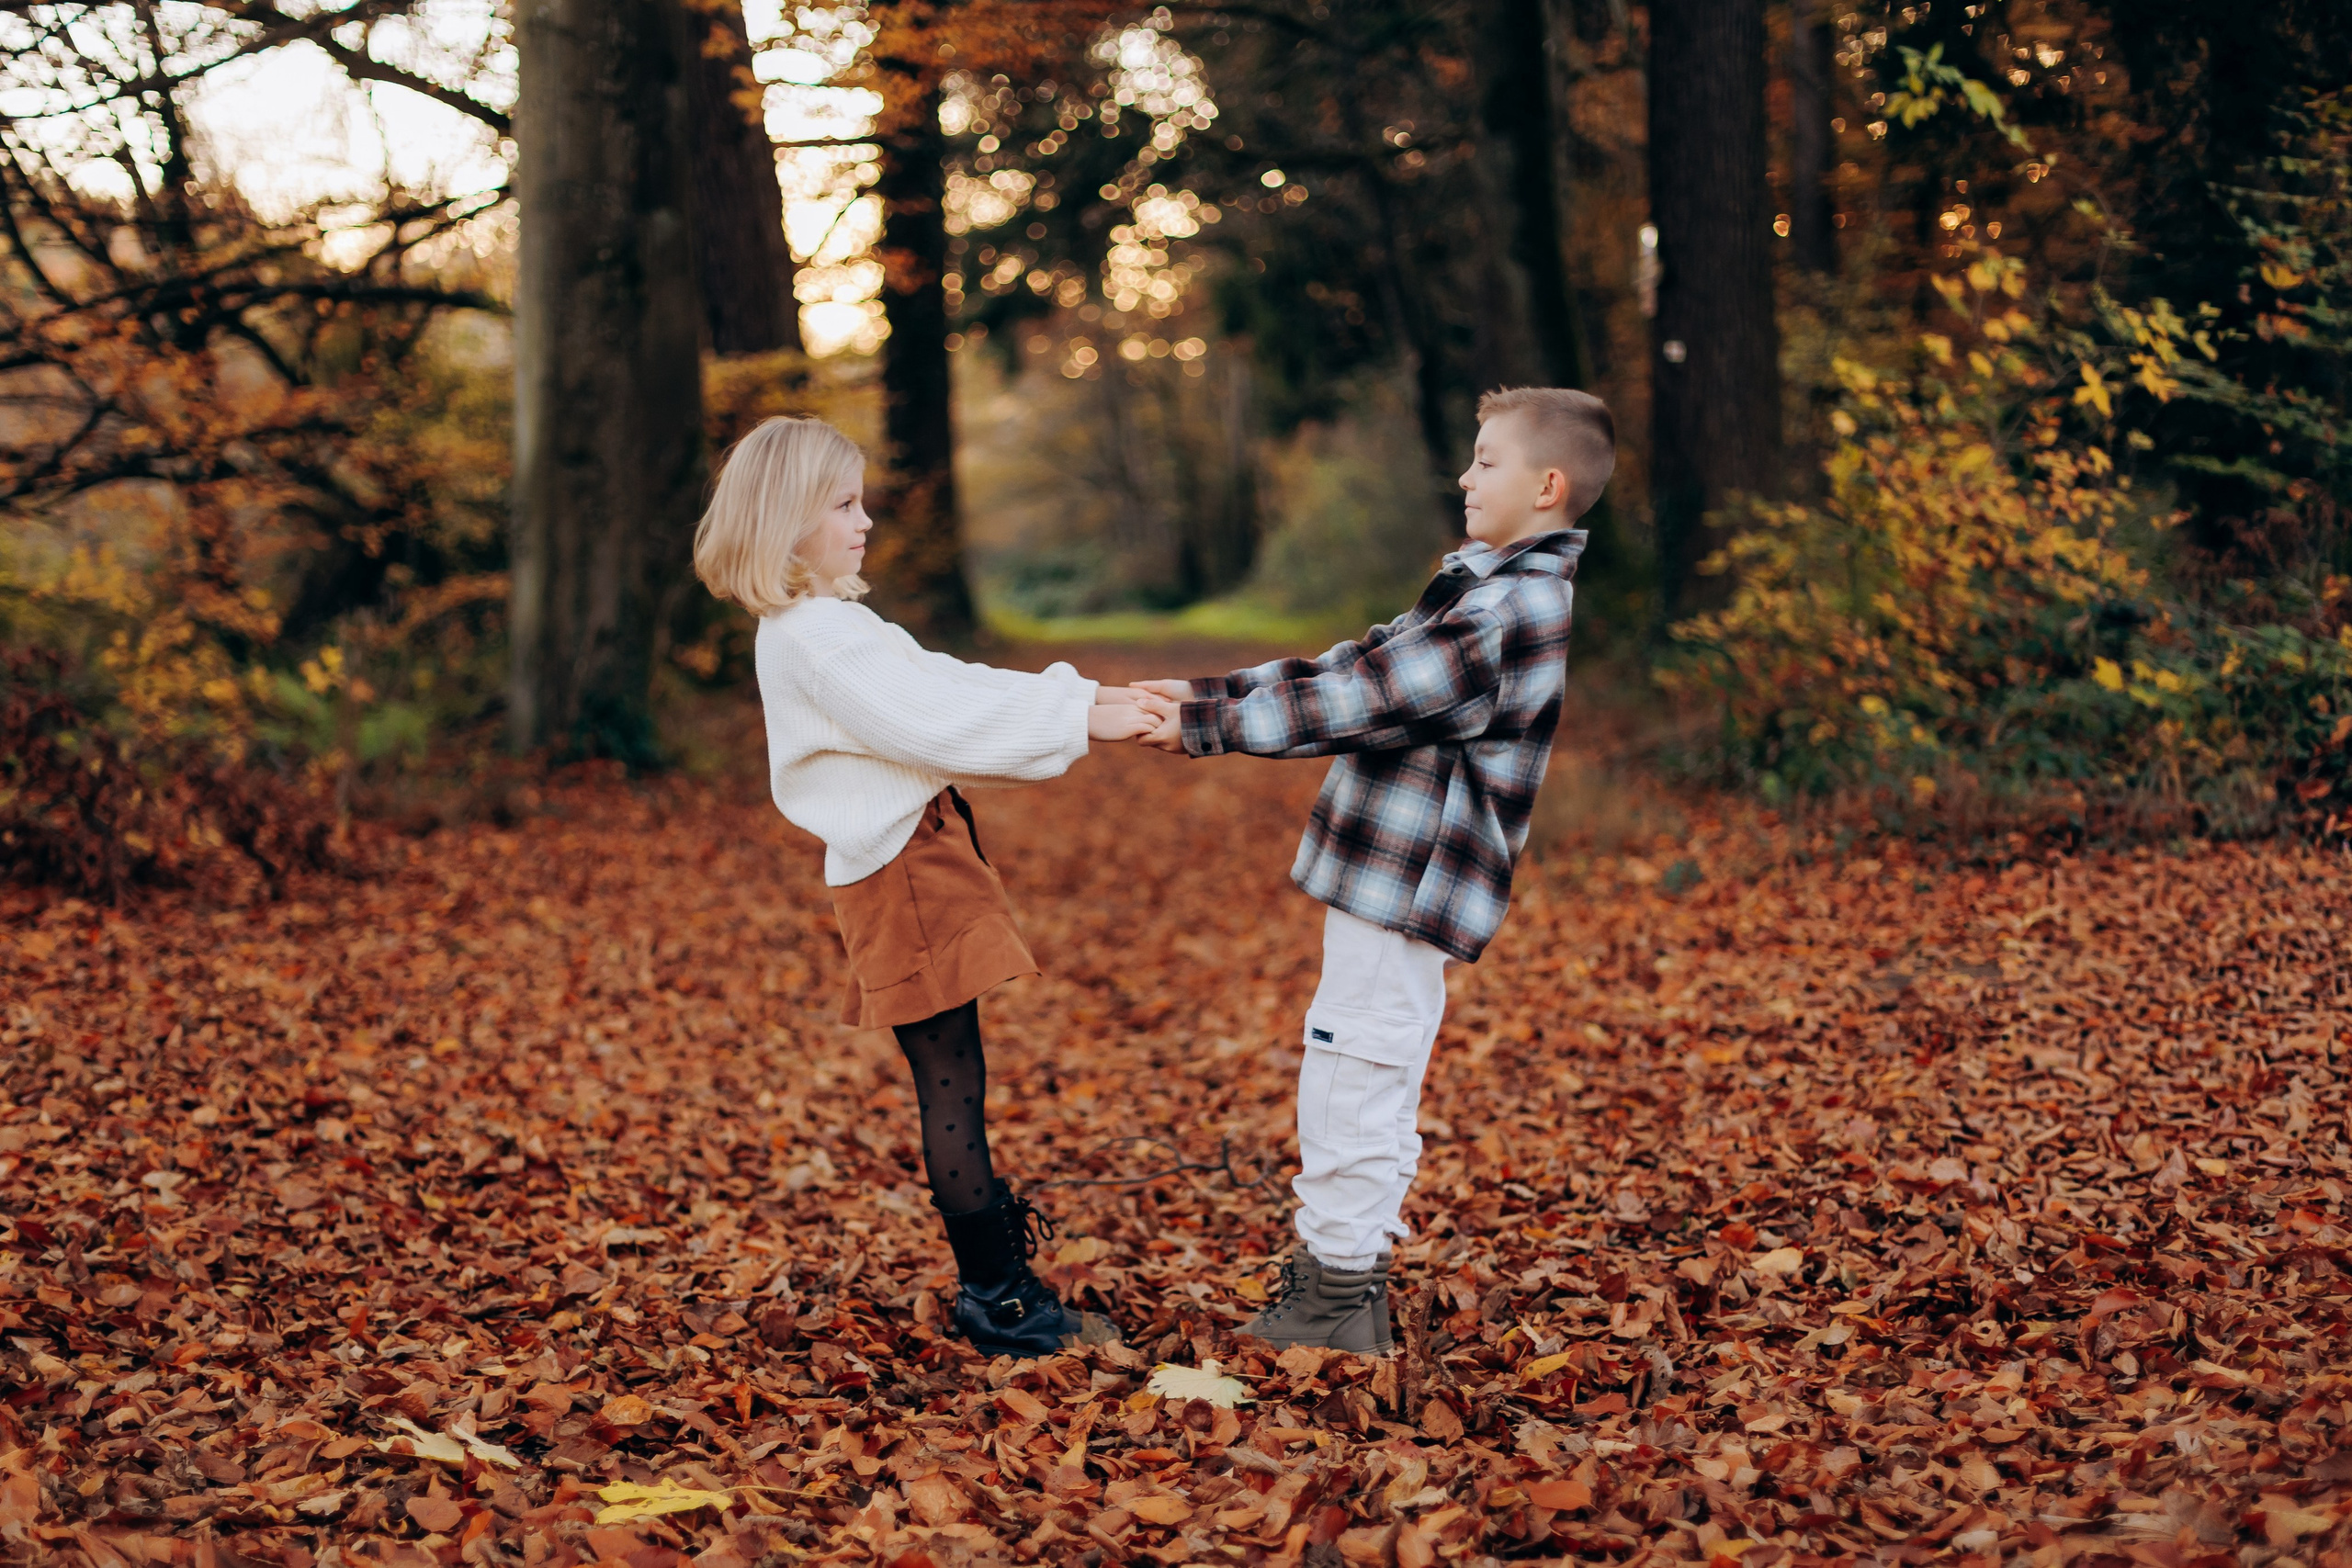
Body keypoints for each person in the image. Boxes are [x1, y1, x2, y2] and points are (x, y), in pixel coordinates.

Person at [1134, 387, 1615, 1353]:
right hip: (1388, 881)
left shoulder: (1513, 608)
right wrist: (1201, 696)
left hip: (1413, 886)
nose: (1465, 476)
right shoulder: (1482, 587)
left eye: (1485, 460)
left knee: (1356, 1072)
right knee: (1360, 1064)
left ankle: (1336, 1298)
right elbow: (1350, 664)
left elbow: (1369, 700)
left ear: (1548, 485)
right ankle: (1340, 1281)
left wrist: (1205, 729)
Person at [693, 415, 1154, 1359]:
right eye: (844, 504)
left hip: (916, 858)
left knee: (958, 1083)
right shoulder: (814, 635)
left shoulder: (828, 624)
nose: (866, 521)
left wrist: (1085, 700)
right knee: (951, 1090)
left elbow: (947, 680)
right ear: (786, 519)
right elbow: (931, 725)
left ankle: (998, 1285)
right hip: (902, 871)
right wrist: (1089, 724)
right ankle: (996, 1297)